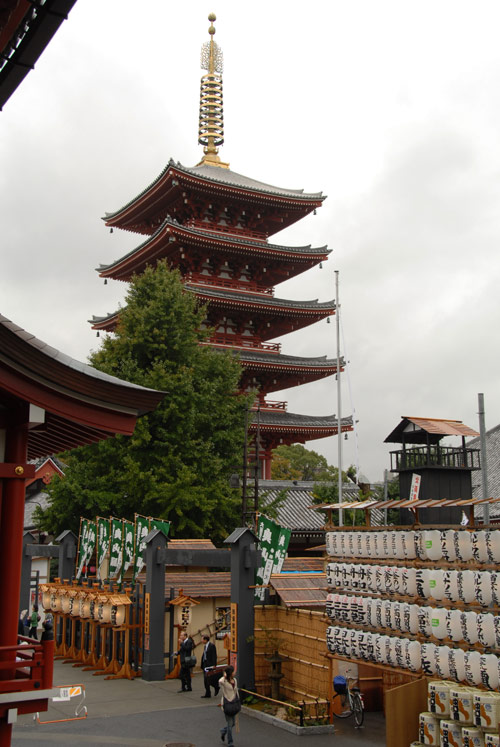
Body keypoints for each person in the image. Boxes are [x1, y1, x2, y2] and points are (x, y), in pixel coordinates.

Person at [219, 665, 239, 746]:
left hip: (234, 704)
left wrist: (238, 700)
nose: (235, 672)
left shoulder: (235, 680)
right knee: (230, 724)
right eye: (233, 671)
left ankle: (223, 731)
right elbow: (220, 681)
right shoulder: (224, 682)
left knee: (233, 723)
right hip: (227, 704)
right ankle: (230, 742)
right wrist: (224, 676)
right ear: (230, 673)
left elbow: (236, 691)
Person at [200, 634, 218, 698]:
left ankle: (216, 686)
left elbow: (214, 655)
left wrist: (214, 665)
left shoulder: (211, 646)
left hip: (210, 664)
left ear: (205, 640)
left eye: (202, 639)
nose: (201, 641)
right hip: (205, 664)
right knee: (205, 679)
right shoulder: (205, 646)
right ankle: (207, 693)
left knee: (209, 679)